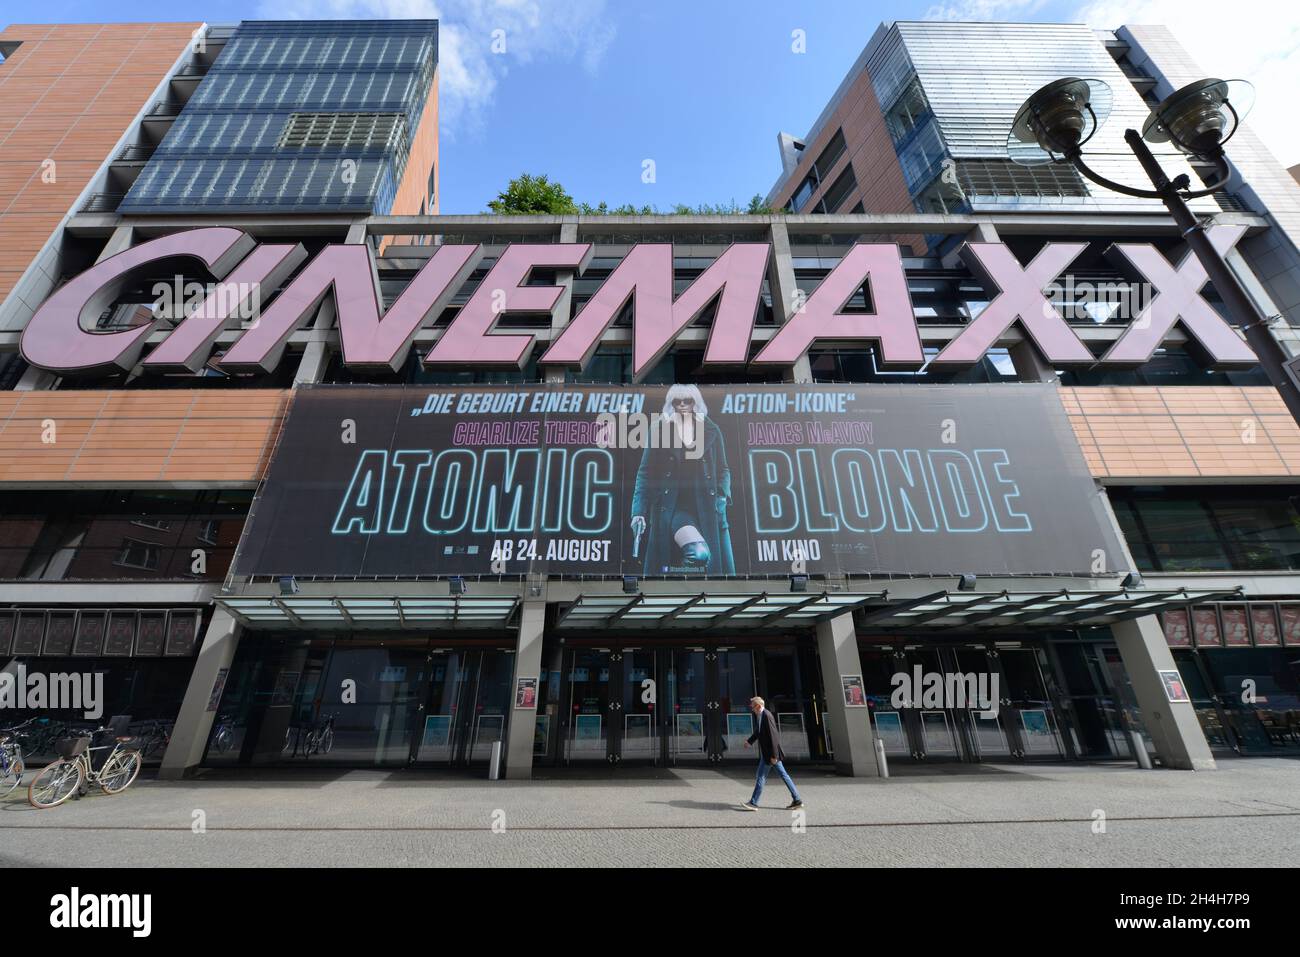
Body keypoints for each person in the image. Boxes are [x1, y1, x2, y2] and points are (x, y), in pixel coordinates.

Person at [629, 384, 736, 575]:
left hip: (709, 507)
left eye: (688, 400)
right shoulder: (659, 430)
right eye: (677, 401)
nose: (683, 405)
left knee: (727, 580)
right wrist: (638, 511)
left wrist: (721, 497)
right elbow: (645, 473)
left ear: (696, 402)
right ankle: (676, 582)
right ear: (671, 403)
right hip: (674, 508)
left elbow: (724, 469)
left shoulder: (711, 429)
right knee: (699, 553)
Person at [740, 696, 803, 811]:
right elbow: (758, 732)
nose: (752, 709)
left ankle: (754, 803)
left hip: (770, 754)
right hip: (768, 754)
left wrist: (774, 756)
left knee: (765, 777)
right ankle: (797, 800)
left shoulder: (767, 716)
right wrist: (749, 742)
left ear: (759, 706)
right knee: (773, 776)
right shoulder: (761, 716)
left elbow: (773, 736)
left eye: (753, 707)